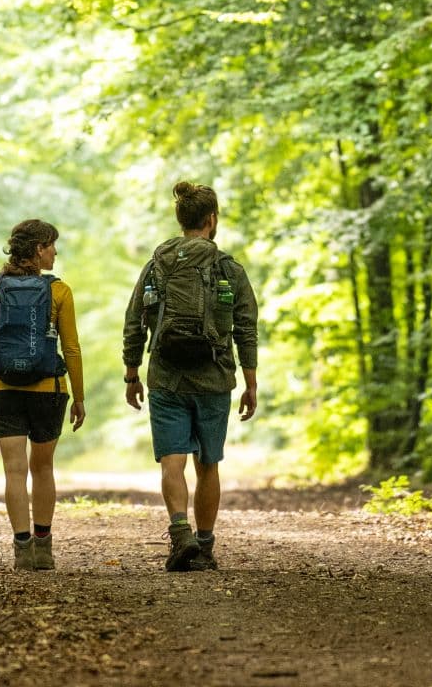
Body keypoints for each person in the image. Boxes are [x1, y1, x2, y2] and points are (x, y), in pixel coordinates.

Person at [122, 179, 259, 572]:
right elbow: (246, 327)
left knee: (172, 461)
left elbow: (135, 319)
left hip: (166, 375)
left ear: (181, 220)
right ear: (211, 220)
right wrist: (251, 382)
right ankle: (205, 544)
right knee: (208, 464)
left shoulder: (157, 264)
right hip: (214, 377)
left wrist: (132, 372)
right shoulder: (227, 268)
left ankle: (180, 534)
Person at [0, 217, 85, 571]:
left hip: (3, 389)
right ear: (38, 250)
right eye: (51, 245)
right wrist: (79, 396)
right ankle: (44, 548)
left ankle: (22, 550)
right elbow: (72, 349)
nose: (55, 251)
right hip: (48, 390)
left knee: (14, 471)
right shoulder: (59, 292)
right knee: (44, 468)